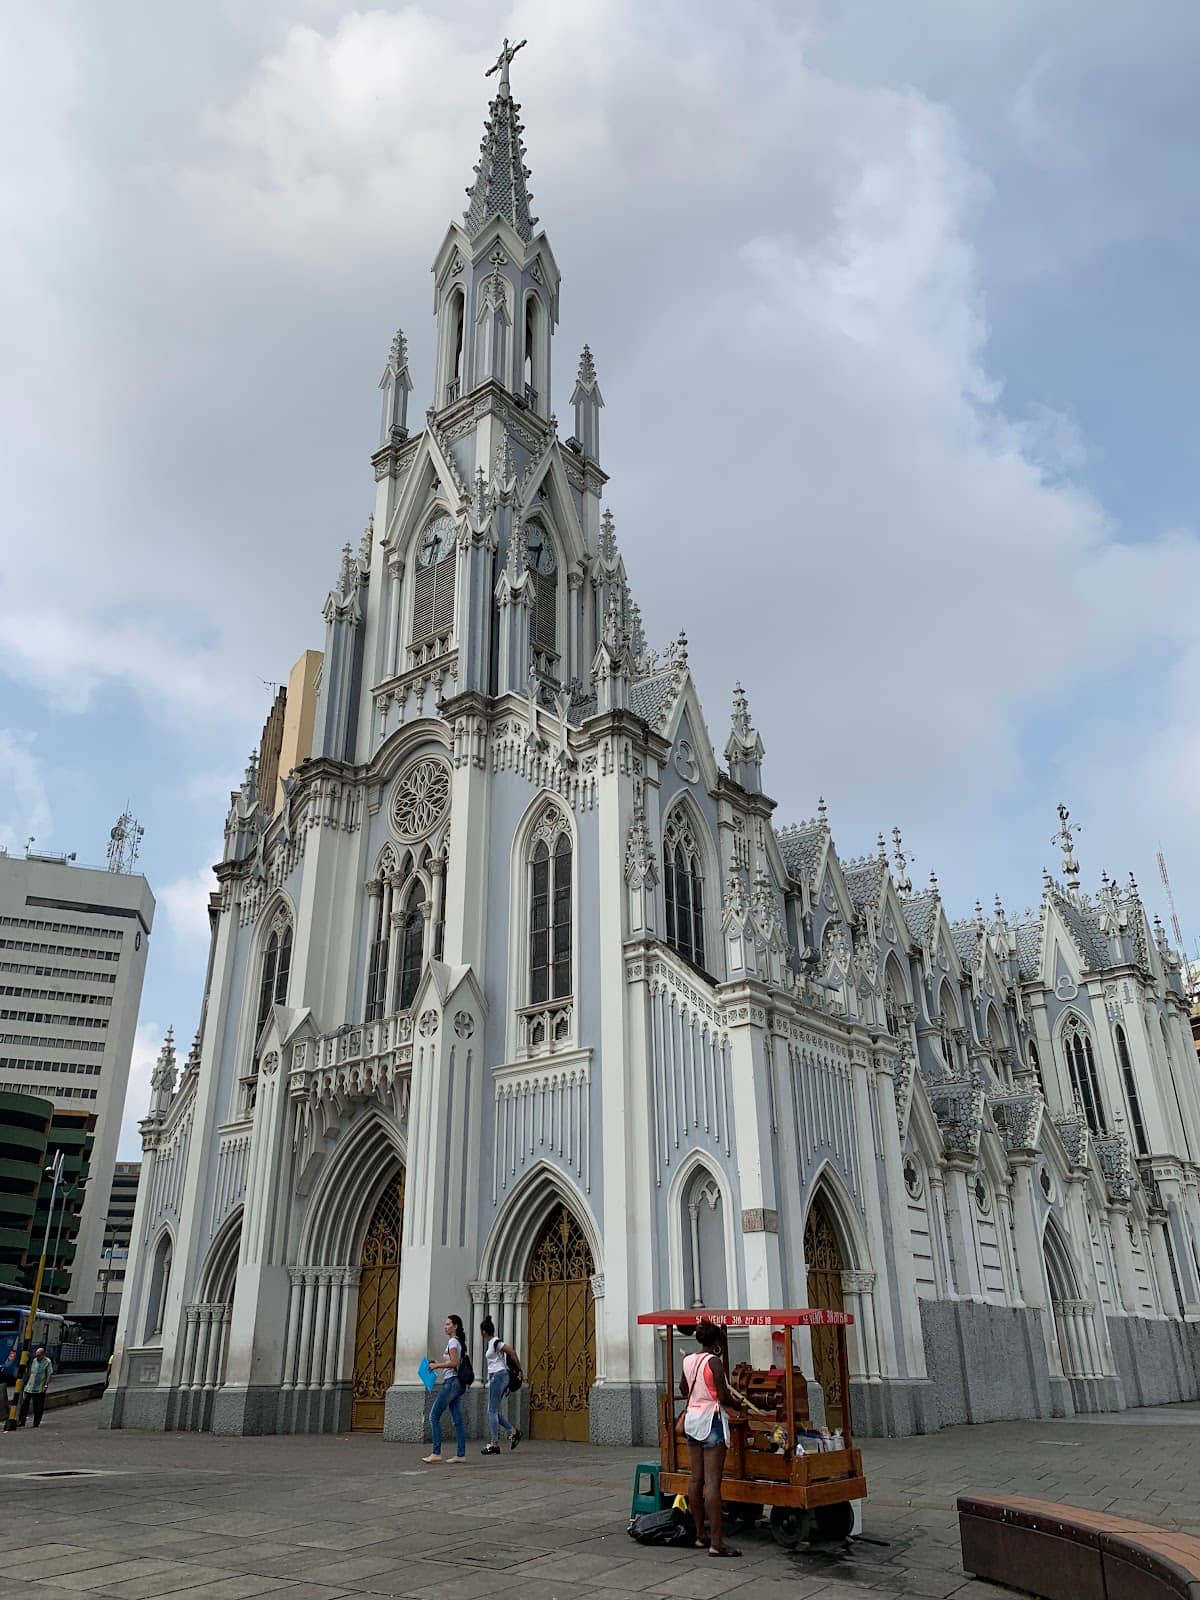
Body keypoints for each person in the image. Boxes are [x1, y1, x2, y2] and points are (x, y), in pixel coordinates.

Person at [679, 1321, 744, 1557]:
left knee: (695, 1480)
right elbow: (724, 1396)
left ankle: (699, 1535)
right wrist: (738, 1404)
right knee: (712, 1483)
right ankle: (717, 1543)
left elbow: (684, 1389)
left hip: (692, 1422)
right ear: (717, 1342)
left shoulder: (688, 1361)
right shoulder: (714, 1362)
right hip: (711, 1421)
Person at [423, 1314, 467, 1463]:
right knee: (457, 1420)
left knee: (433, 1416)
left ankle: (436, 1452)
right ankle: (460, 1455)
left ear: (455, 1326)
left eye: (448, 1324)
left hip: (451, 1383)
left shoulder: (453, 1342)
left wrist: (436, 1365)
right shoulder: (455, 1342)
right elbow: (452, 1362)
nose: (445, 1327)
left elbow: (454, 1363)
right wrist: (438, 1363)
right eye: (445, 1324)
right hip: (456, 1383)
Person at [478, 1316, 522, 1455]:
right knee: (495, 1410)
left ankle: (494, 1443)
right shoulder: (492, 1343)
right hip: (498, 1377)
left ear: (483, 1332)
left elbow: (512, 1352)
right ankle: (513, 1432)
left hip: (499, 1376)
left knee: (491, 1411)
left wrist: (519, 1369)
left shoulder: (496, 1342)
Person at [19, 1346, 54, 1428]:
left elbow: (49, 1374)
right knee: (24, 1405)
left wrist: (46, 1385)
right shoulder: (34, 1361)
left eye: (39, 1355)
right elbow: (31, 1373)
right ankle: (22, 1421)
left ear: (43, 1355)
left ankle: (36, 1423)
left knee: (37, 1407)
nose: (37, 1357)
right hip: (30, 1387)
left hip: (39, 1388)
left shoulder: (47, 1362)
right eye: (36, 1355)